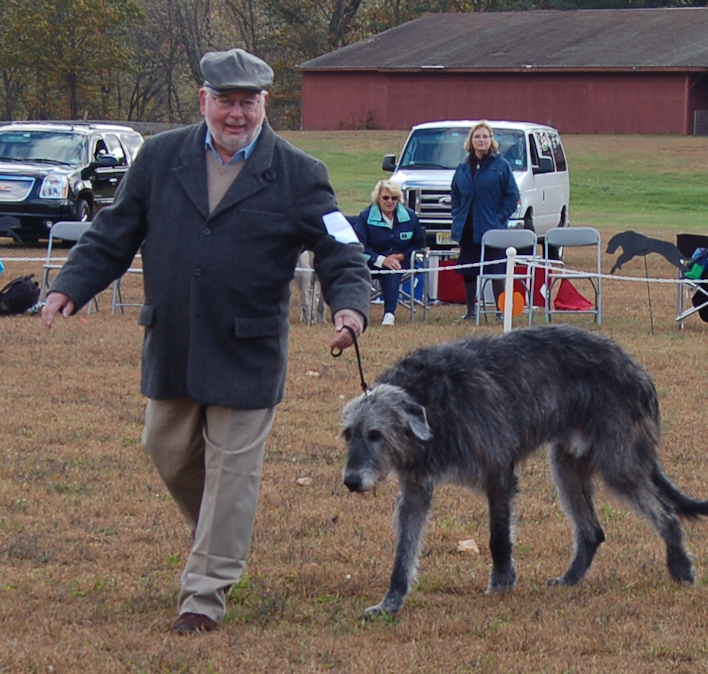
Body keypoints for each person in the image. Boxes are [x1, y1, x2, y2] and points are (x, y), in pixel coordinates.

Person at [40, 48, 372, 635]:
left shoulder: (300, 173)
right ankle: (221, 535)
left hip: (248, 349)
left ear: (264, 103)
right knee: (165, 449)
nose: (236, 113)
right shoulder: (160, 156)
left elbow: (340, 249)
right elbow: (115, 231)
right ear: (204, 101)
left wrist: (350, 308)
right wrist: (71, 285)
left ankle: (204, 595)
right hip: (172, 340)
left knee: (232, 474)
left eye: (248, 102)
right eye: (225, 101)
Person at [450, 121, 520, 321]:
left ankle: (501, 311)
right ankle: (471, 311)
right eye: (477, 137)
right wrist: (458, 213)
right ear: (471, 141)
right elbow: (455, 193)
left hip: (492, 228)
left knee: (496, 269)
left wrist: (498, 220)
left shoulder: (501, 165)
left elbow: (512, 196)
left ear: (491, 140)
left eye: (485, 137)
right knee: (469, 269)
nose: (481, 140)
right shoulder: (463, 166)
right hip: (467, 228)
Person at [354, 180, 425, 326]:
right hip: (371, 262)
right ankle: (356, 311)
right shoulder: (366, 216)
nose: (390, 201)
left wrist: (401, 256)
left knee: (392, 268)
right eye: (386, 198)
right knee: (388, 266)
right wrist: (381, 260)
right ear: (378, 199)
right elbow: (359, 246)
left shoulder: (410, 217)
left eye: (394, 198)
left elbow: (418, 245)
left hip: (402, 262)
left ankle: (389, 314)